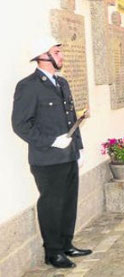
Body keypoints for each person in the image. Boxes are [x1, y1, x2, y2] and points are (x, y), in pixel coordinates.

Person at [11, 37, 91, 269]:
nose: (61, 56)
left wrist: (79, 148)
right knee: (52, 204)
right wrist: (50, 142)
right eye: (57, 52)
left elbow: (71, 119)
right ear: (42, 57)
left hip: (68, 156)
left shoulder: (62, 83)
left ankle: (66, 243)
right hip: (47, 159)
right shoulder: (28, 86)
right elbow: (20, 125)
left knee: (68, 202)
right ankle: (53, 252)